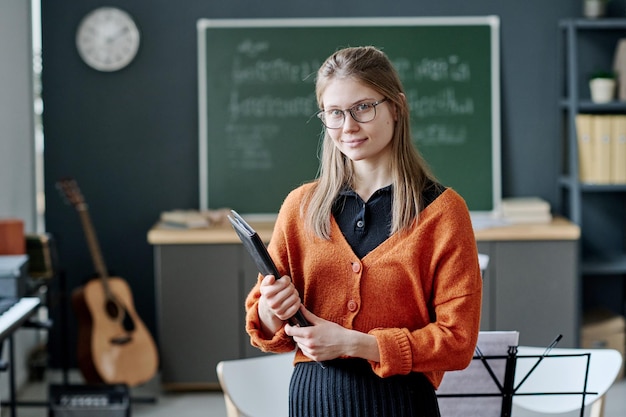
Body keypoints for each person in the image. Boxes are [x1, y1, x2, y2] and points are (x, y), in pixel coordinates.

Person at [244, 45, 483, 417]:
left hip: (400, 404)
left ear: (397, 107)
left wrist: (355, 344)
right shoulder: (300, 207)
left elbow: (457, 342)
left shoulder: (444, 213)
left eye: (363, 108)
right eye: (334, 113)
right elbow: (264, 328)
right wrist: (273, 308)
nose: (348, 127)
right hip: (312, 403)